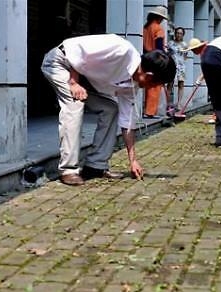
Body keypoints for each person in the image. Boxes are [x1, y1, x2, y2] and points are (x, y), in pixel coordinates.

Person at [41, 34, 176, 186]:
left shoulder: (132, 86)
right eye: (157, 84)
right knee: (75, 103)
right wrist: (73, 82)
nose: (154, 88)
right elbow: (75, 51)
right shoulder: (120, 49)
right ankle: (68, 170)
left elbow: (127, 123)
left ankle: (96, 166)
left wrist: (133, 161)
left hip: (84, 77)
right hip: (60, 62)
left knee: (111, 108)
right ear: (149, 76)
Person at [142, 6, 168, 118]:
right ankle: (150, 112)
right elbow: (158, 46)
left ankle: (146, 109)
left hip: (145, 57)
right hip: (155, 59)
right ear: (159, 17)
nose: (162, 20)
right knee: (155, 85)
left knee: (147, 84)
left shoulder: (146, 27)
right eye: (162, 18)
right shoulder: (158, 28)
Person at [167, 27, 189, 112]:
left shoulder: (185, 45)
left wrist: (181, 62)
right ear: (175, 33)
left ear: (183, 35)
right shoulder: (170, 43)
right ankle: (167, 103)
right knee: (170, 84)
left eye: (181, 33)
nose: (179, 35)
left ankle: (179, 103)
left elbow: (185, 57)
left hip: (181, 67)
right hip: (172, 66)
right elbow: (167, 54)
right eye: (177, 33)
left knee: (181, 84)